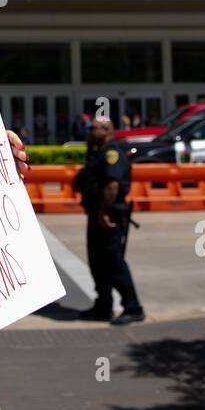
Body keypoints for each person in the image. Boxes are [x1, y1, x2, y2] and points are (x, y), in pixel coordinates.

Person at [73, 117, 143, 324]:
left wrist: (104, 212)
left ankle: (133, 306)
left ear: (105, 130)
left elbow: (112, 186)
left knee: (114, 263)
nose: (88, 132)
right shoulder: (97, 153)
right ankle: (103, 304)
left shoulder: (112, 154)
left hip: (109, 216)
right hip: (96, 214)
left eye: (92, 128)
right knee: (97, 262)